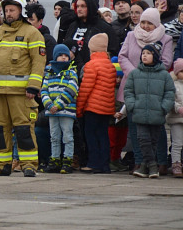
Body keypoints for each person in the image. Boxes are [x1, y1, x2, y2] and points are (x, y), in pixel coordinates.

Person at [0, 0, 45, 177]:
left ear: (21, 11)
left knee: (24, 129)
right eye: (6, 10)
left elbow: (38, 63)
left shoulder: (32, 33)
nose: (8, 13)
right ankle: (1, 164)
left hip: (21, 94)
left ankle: (29, 165)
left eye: (12, 10)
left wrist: (33, 86)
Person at [123, 44, 175, 179]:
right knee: (143, 139)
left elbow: (170, 93)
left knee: (153, 141)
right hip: (139, 113)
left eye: (148, 53)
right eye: (143, 53)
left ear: (155, 56)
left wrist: (164, 107)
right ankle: (152, 165)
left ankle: (145, 167)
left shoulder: (164, 75)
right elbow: (128, 91)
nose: (144, 55)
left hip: (157, 113)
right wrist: (132, 105)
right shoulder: (135, 73)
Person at [76, 33, 117, 174]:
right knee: (103, 135)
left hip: (92, 107)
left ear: (92, 50)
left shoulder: (91, 65)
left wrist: (79, 109)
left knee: (91, 135)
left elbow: (85, 89)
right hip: (106, 108)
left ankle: (93, 163)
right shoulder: (110, 66)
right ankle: (105, 164)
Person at [40, 44, 80, 174]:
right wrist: (49, 105)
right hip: (52, 111)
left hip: (66, 111)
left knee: (67, 136)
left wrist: (58, 104)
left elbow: (72, 89)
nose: (64, 58)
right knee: (54, 136)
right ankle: (55, 159)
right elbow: (44, 90)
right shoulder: (49, 72)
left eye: (66, 56)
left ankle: (67, 160)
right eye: (61, 56)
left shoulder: (71, 72)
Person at [167, 60, 183, 178]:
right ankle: (176, 164)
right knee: (177, 143)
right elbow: (171, 100)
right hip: (176, 118)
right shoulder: (173, 85)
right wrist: (178, 108)